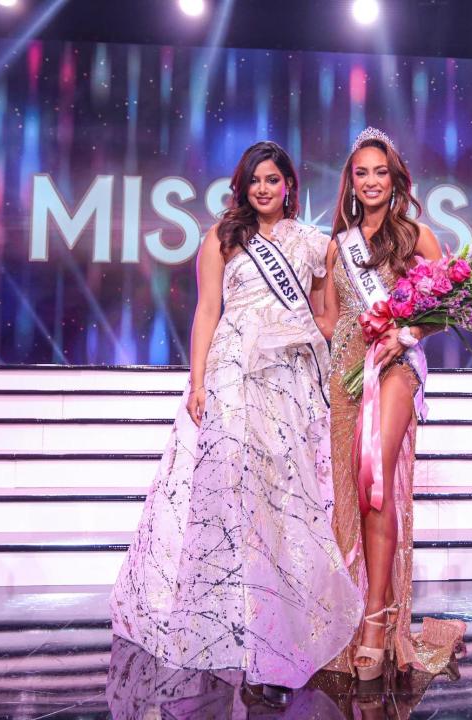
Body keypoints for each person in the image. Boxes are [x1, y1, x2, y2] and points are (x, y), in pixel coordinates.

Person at [110, 141, 361, 705]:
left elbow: (325, 319)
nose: (264, 189)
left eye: (273, 179)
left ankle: (277, 636)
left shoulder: (314, 244)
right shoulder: (223, 237)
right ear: (243, 186)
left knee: (281, 506)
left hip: (289, 381)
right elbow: (206, 311)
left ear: (290, 184)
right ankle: (234, 633)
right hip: (231, 374)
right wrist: (197, 382)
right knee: (230, 502)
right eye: (255, 181)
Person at [319, 128, 466, 682]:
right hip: (345, 378)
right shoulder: (339, 245)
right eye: (362, 172)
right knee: (351, 499)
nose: (372, 181)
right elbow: (331, 321)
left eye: (381, 171)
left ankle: (379, 623)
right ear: (351, 182)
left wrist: (407, 334)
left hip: (396, 369)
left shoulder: (417, 237)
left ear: (395, 178)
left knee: (374, 483)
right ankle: (356, 614)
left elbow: (451, 307)